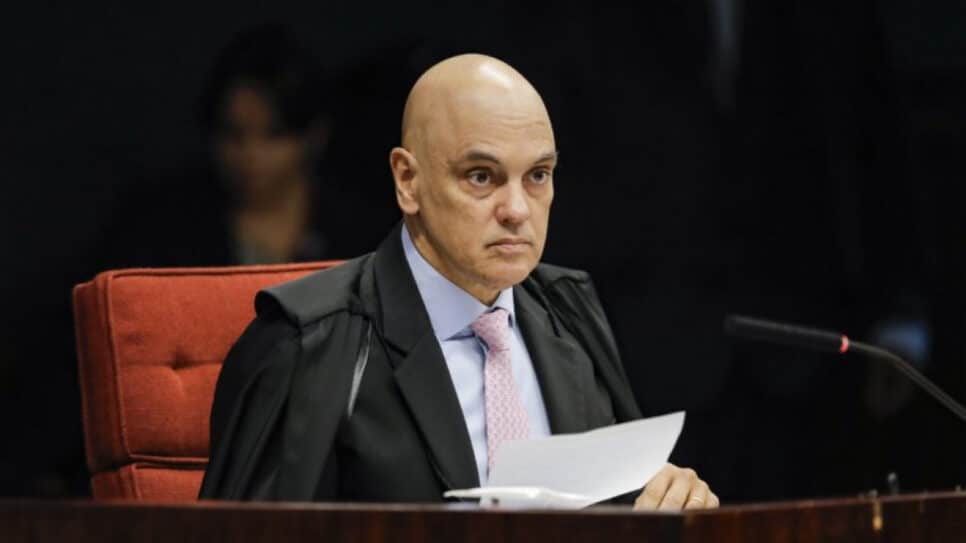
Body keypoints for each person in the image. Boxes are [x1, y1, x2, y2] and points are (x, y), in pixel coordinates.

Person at [200, 54, 718, 510]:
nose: (517, 210)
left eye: (537, 175)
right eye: (481, 176)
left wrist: (666, 495)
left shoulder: (569, 312)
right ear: (408, 181)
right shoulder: (308, 343)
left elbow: (619, 501)